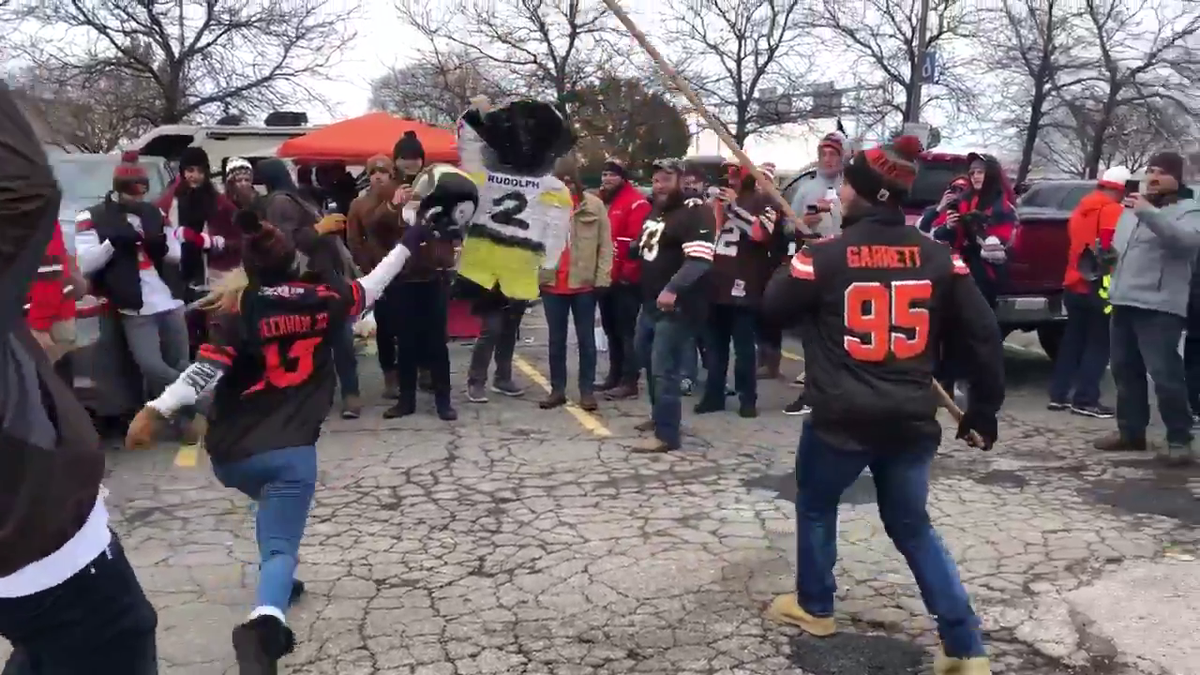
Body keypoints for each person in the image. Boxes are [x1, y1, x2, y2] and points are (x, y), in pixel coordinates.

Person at [124, 165, 479, 673]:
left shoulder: (236, 307)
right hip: (290, 451)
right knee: (281, 541)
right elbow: (376, 282)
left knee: (271, 518)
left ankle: (281, 582)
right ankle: (266, 621)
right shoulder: (325, 298)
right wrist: (415, 234)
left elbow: (204, 372)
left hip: (232, 451)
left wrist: (157, 408)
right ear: (293, 262)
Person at [761, 135, 1004, 675]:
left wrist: (800, 258)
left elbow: (771, 312)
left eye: (847, 182)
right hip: (912, 418)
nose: (840, 190)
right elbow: (985, 336)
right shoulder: (940, 256)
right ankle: (965, 648)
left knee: (817, 504)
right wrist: (983, 409)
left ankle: (815, 606)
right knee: (912, 525)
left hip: (841, 421)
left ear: (866, 192)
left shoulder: (824, 256)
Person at [0, 81, 159, 675]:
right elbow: (25, 194)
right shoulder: (92, 219)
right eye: (133, 187)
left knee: (46, 652)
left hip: (36, 555)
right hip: (46, 549)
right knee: (113, 637)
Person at [1095, 152, 1200, 465]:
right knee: (1124, 371)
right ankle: (1131, 432)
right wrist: (1104, 258)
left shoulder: (1189, 209)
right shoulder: (1132, 209)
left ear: (1176, 178)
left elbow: (1186, 244)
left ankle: (1179, 439)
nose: (1152, 176)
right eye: (1149, 170)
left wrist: (1149, 213)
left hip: (1159, 306)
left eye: (1161, 171)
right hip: (1123, 300)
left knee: (1165, 375)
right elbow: (1122, 251)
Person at [75, 151, 191, 408]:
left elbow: (175, 254)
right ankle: (196, 398)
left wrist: (160, 243)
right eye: (133, 191)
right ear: (119, 189)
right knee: (151, 365)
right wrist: (112, 243)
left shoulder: (154, 213)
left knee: (181, 360)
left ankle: (183, 417)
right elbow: (85, 263)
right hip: (134, 303)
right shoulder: (91, 217)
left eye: (142, 191)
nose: (139, 197)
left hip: (168, 297)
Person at [255, 158, 364, 419]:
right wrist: (319, 228)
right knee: (331, 339)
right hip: (311, 281)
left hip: (323, 276)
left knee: (335, 338)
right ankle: (346, 396)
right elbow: (285, 243)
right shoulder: (280, 202)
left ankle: (344, 395)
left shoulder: (293, 198)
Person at [630, 158, 716, 453]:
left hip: (678, 305)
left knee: (663, 368)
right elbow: (647, 243)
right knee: (644, 357)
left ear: (682, 180)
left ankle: (667, 435)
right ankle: (660, 418)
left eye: (666, 179)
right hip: (650, 301)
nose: (659, 185)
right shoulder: (656, 210)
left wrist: (672, 288)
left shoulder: (696, 212)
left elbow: (700, 260)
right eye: (655, 180)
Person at [379, 159, 460, 422]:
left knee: (437, 345)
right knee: (406, 344)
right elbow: (375, 227)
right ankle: (406, 400)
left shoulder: (439, 210)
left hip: (433, 282)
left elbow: (452, 239)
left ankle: (443, 401)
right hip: (404, 284)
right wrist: (396, 206)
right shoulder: (394, 206)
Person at [696, 162, 778, 419]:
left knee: (743, 348)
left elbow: (761, 233)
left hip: (745, 283)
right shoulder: (718, 202)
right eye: (727, 175)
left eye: (735, 175)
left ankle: (747, 398)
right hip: (716, 283)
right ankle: (714, 394)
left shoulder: (766, 200)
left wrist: (735, 207)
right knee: (715, 345)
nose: (729, 180)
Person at [1048, 166, 1129, 419]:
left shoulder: (1080, 209)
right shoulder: (1115, 211)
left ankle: (1059, 395)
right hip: (1100, 287)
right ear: (1120, 189)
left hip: (1074, 284)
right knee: (1099, 342)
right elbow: (1116, 249)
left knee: (1072, 341)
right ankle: (1085, 399)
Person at [539, 156, 613, 411]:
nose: (566, 186)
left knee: (586, 341)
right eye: (561, 181)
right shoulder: (542, 206)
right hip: (552, 283)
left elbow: (606, 245)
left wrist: (603, 276)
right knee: (556, 340)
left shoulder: (594, 205)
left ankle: (587, 391)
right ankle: (557, 390)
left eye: (570, 181)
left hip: (584, 283)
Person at [347, 155, 403, 399]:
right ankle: (390, 377)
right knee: (386, 328)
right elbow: (353, 239)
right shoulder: (359, 205)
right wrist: (367, 266)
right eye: (373, 172)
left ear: (391, 174)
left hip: (406, 271)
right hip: (378, 274)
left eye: (383, 171)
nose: (378, 176)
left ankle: (417, 372)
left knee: (410, 326)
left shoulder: (402, 197)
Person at [597, 157, 652, 399]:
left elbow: (635, 243)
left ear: (623, 178)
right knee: (610, 329)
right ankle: (614, 375)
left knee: (626, 330)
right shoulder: (605, 201)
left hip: (626, 280)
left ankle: (630, 381)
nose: (607, 179)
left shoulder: (636, 203)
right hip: (607, 277)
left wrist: (628, 274)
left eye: (612, 175)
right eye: (605, 174)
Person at [158, 147, 242, 293]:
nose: (195, 176)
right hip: (177, 277)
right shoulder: (173, 199)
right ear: (183, 171)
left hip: (213, 278)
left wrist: (212, 242)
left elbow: (241, 240)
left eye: (200, 171)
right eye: (190, 170)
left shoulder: (220, 203)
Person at [26, 219, 86, 383]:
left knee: (51, 389)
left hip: (46, 320)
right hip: (46, 315)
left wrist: (39, 325)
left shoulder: (34, 214)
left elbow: (48, 274)